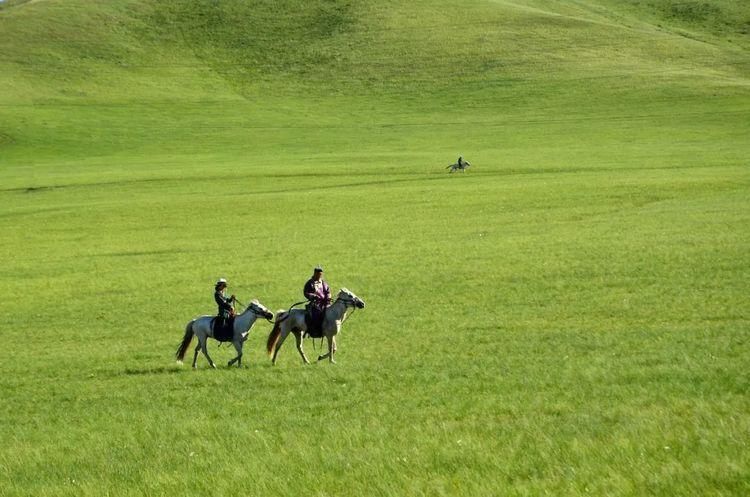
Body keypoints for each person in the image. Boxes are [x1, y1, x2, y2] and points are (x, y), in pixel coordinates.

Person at [303, 266, 331, 336]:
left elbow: (328, 291)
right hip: (315, 303)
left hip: (325, 303)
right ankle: (315, 330)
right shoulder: (310, 283)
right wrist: (313, 296)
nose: (319, 276)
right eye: (318, 274)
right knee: (316, 314)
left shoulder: (323, 283)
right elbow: (306, 292)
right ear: (315, 273)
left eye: (320, 274)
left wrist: (328, 297)